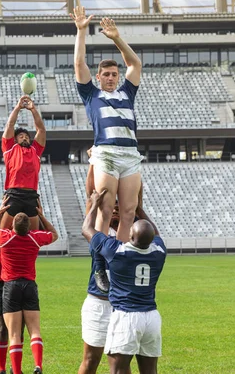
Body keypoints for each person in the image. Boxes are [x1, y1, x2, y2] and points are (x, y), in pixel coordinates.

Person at [70, 5, 143, 246]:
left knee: (129, 212)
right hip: (107, 153)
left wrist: (117, 39)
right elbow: (79, 64)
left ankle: (119, 258)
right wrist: (81, 31)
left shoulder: (126, 93)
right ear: (98, 77)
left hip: (130, 154)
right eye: (106, 74)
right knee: (105, 207)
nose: (111, 77)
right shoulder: (92, 95)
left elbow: (135, 65)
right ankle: (100, 260)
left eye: (114, 74)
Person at [82, 190, 166, 374]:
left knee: (118, 370)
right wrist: (139, 209)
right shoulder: (159, 251)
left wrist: (94, 204)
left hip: (127, 316)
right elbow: (155, 232)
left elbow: (87, 230)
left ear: (131, 236)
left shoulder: (117, 251)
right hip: (151, 316)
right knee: (150, 371)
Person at [0, 199, 59, 374]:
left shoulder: (4, 237)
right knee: (29, 330)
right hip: (27, 284)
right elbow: (53, 235)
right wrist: (41, 215)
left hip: (10, 285)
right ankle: (37, 365)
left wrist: (0, 212)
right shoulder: (34, 238)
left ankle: (15, 371)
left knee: (15, 333)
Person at [0, 94, 47, 282]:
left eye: (26, 136)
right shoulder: (9, 149)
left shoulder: (35, 150)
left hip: (32, 197)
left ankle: (27, 270)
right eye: (21, 136)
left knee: (33, 238)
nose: (24, 137)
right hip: (13, 195)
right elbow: (9, 127)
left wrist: (33, 109)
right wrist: (18, 108)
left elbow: (41, 129)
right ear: (15, 139)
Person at [78, 195, 141, 374]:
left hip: (124, 305)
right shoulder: (99, 229)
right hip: (99, 302)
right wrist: (95, 202)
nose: (114, 208)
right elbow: (87, 223)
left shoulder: (134, 231)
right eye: (110, 205)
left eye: (118, 205)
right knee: (90, 360)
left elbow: (136, 204)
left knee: (122, 363)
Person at [84, 147, 144, 294]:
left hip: (122, 292)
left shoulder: (131, 230)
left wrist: (132, 170)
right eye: (113, 208)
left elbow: (137, 201)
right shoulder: (99, 228)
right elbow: (91, 195)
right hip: (98, 293)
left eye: (118, 208)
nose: (115, 210)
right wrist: (93, 163)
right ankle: (100, 271)